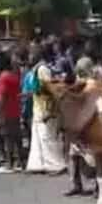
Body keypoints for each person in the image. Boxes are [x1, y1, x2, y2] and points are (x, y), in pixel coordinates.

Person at [24, 45, 67, 174]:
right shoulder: (35, 69)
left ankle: (55, 165)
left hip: (45, 107)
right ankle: (38, 164)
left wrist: (49, 110)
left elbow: (49, 89)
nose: (30, 55)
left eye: (32, 53)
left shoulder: (43, 69)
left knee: (47, 136)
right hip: (37, 106)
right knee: (37, 136)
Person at [0, 52, 25, 173]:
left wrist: (0, 114)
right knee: (17, 137)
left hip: (6, 109)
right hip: (16, 108)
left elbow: (2, 96)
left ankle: (9, 164)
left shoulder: (3, 76)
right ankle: (20, 162)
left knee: (7, 137)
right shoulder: (14, 75)